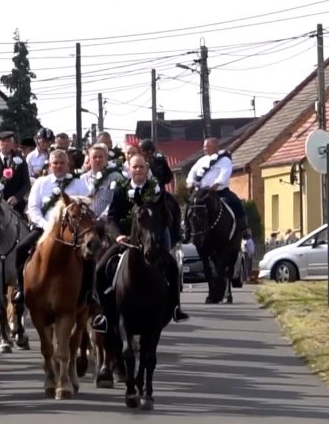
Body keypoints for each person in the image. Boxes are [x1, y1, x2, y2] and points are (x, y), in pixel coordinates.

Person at [92, 154, 189, 333]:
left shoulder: (156, 190)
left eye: (141, 167)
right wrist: (118, 235)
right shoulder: (121, 190)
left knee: (172, 266)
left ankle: (175, 308)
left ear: (147, 169)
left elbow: (165, 215)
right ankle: (105, 315)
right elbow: (111, 216)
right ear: (129, 169)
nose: (138, 170)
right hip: (126, 239)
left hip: (152, 239)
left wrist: (156, 234)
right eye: (134, 167)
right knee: (100, 269)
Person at [14, 149, 95, 304]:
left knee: (89, 256)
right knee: (21, 250)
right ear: (50, 165)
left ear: (68, 165)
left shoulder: (78, 184)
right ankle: (21, 289)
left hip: (73, 230)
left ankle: (88, 294)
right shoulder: (40, 183)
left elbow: (86, 206)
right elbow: (33, 209)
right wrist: (47, 226)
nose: (58, 166)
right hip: (44, 228)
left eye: (62, 163)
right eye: (55, 163)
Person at [186, 137, 248, 236]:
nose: (204, 149)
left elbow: (225, 172)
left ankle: (244, 231)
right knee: (190, 206)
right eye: (204, 147)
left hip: (219, 192)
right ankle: (186, 230)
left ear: (215, 147)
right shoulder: (201, 160)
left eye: (206, 147)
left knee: (236, 203)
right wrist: (190, 182)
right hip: (202, 193)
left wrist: (217, 183)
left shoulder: (224, 160)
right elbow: (192, 172)